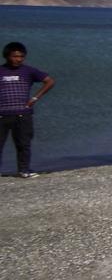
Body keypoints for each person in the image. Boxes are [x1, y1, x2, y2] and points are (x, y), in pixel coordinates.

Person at [1, 41, 56, 178]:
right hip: (1, 115)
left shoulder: (28, 71)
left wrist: (35, 98)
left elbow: (49, 81)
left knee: (23, 144)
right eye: (14, 56)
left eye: (21, 56)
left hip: (23, 114)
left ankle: (24, 170)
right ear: (7, 56)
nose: (18, 59)